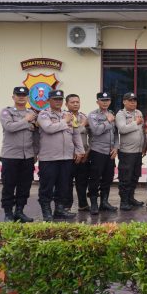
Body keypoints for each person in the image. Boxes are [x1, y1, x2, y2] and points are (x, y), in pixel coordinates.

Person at [37, 90, 84, 221]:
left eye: (60, 99)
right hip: (49, 158)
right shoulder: (44, 114)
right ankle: (46, 211)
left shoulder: (68, 115)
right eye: (55, 99)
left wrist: (80, 150)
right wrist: (65, 121)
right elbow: (49, 128)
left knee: (63, 186)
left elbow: (76, 133)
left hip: (66, 157)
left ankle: (59, 209)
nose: (58, 101)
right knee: (47, 186)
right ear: (49, 100)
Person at [0, 86, 38, 222]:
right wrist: (26, 120)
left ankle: (19, 211)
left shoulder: (32, 113)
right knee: (9, 185)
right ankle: (8, 213)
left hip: (27, 156)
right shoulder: (7, 112)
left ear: (27, 98)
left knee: (25, 186)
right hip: (10, 156)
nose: (21, 97)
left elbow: (36, 135)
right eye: (18, 95)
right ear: (13, 97)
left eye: (24, 95)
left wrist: (35, 153)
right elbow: (9, 127)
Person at [87, 91, 118, 215]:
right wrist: (108, 121)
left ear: (110, 101)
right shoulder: (93, 115)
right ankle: (94, 203)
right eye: (102, 100)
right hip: (97, 151)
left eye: (107, 100)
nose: (105, 103)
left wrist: (116, 147)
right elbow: (96, 131)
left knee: (108, 178)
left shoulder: (112, 114)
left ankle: (104, 202)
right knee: (95, 178)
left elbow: (116, 133)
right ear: (97, 102)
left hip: (110, 152)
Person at [116, 92, 146, 211]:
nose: (133, 103)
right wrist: (135, 123)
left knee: (135, 176)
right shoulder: (121, 114)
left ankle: (131, 198)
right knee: (125, 177)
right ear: (124, 102)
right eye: (130, 100)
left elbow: (143, 131)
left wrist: (144, 146)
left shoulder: (139, 113)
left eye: (134, 100)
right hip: (127, 152)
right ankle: (124, 201)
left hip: (138, 151)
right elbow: (122, 129)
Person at [64, 94, 89, 212]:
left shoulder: (84, 116)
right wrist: (83, 125)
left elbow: (92, 135)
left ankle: (83, 205)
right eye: (72, 102)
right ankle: (67, 206)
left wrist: (87, 151)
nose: (75, 104)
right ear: (66, 104)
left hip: (83, 155)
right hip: (69, 155)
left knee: (82, 181)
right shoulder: (64, 117)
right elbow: (73, 132)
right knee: (67, 182)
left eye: (77, 102)